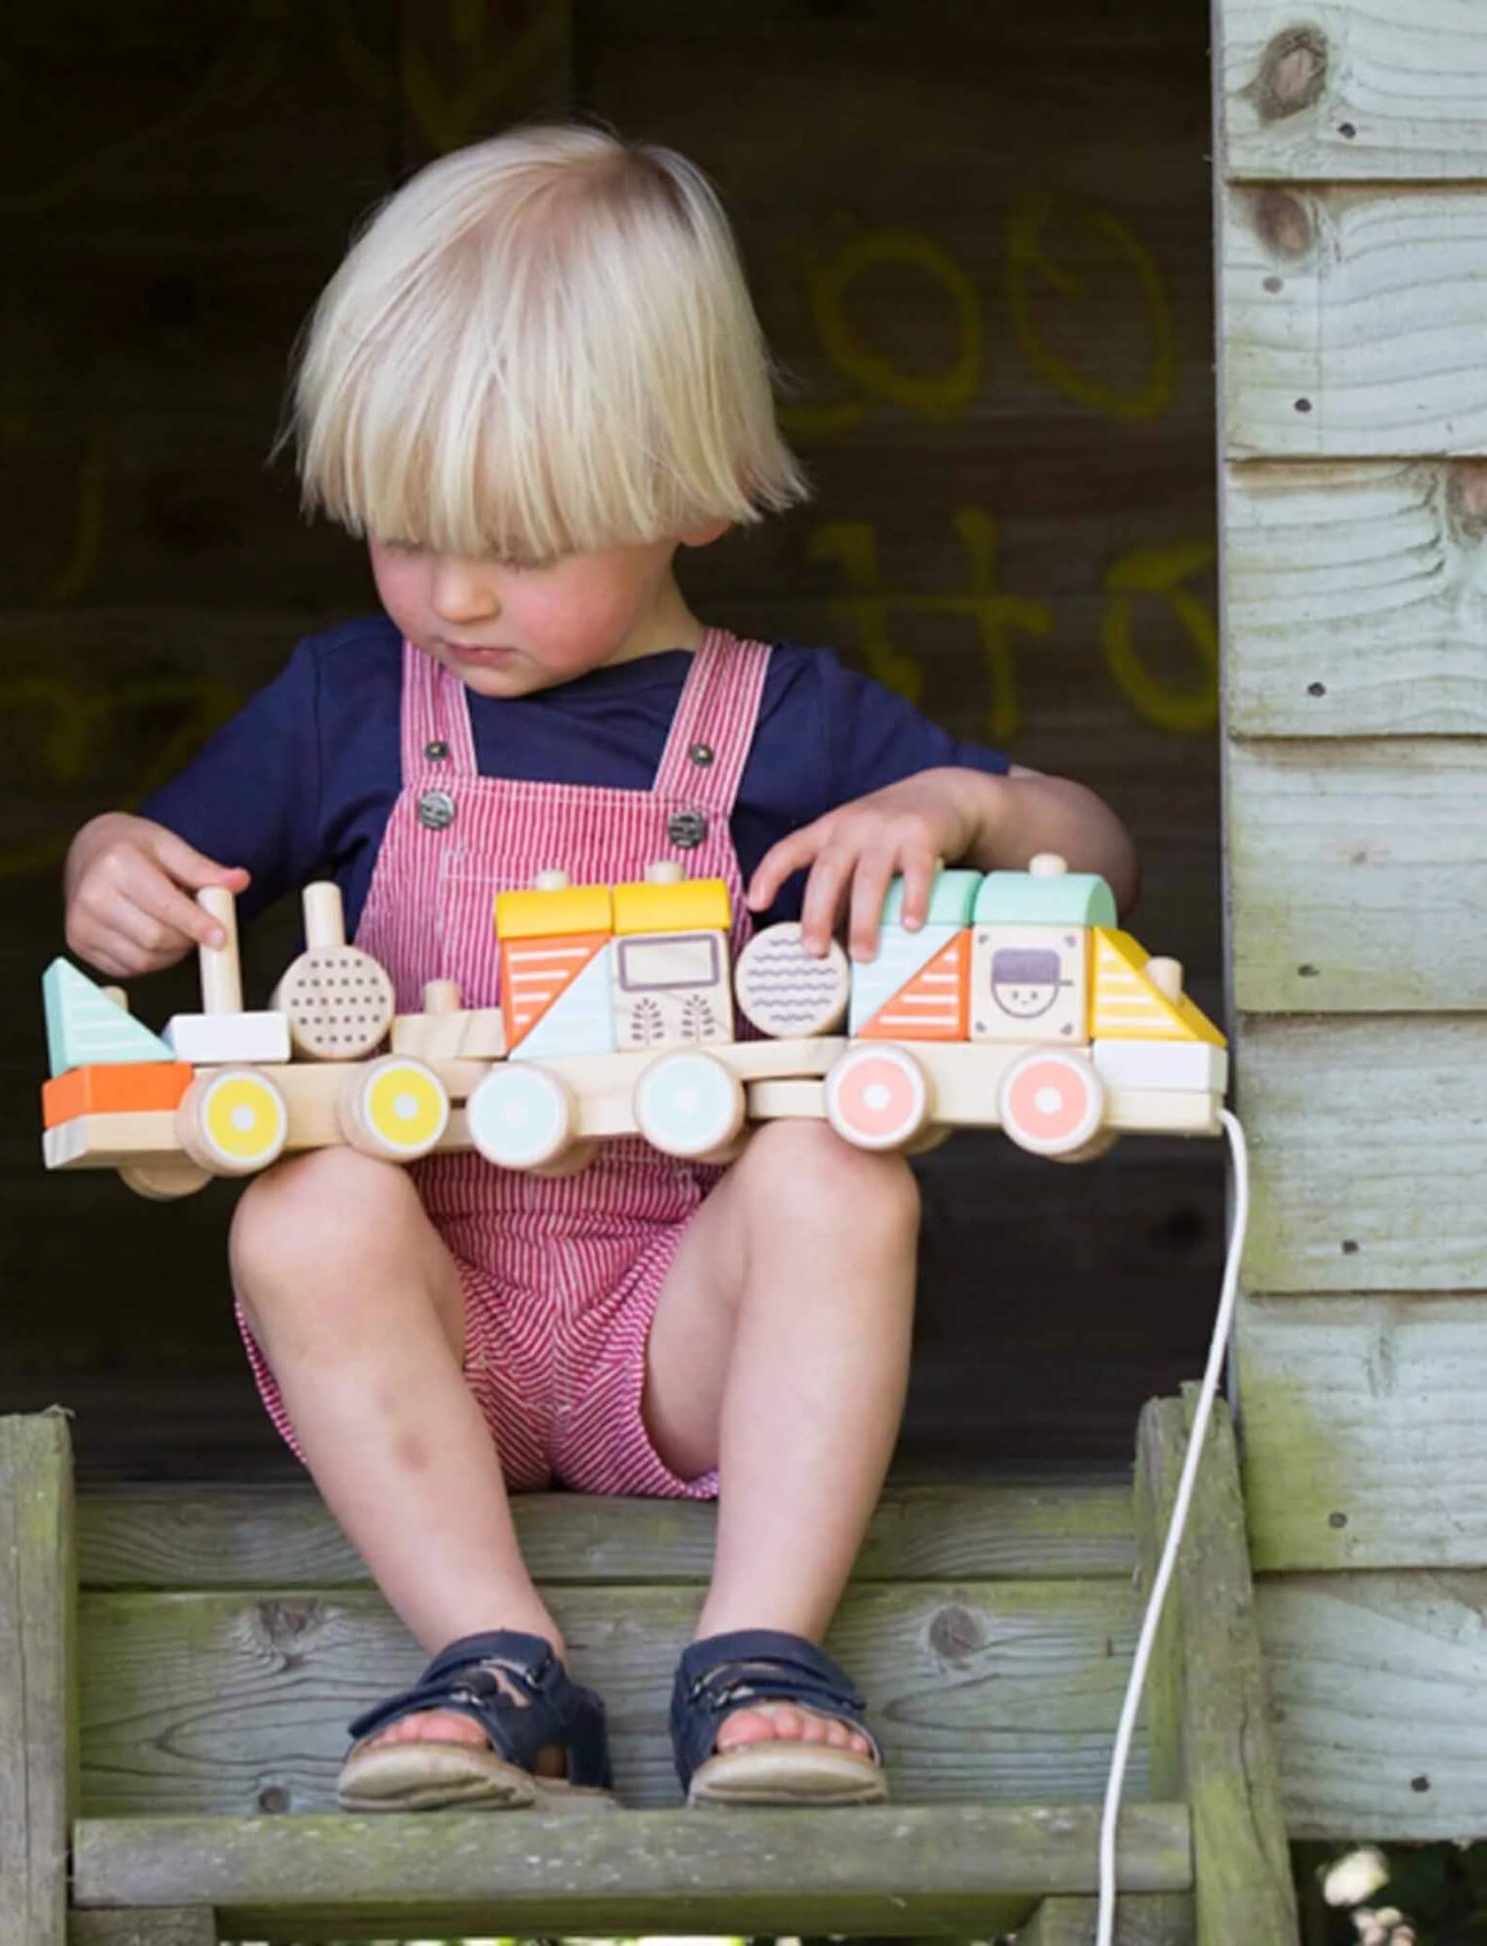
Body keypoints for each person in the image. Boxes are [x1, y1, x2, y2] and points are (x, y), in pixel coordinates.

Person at [63, 123, 1138, 1813]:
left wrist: (964, 799)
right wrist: (104, 866)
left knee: (841, 1177)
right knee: (299, 1202)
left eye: (521, 540)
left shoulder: (789, 722)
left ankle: (759, 1650)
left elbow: (1092, 850)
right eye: (405, 533)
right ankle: (494, 1659)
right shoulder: (349, 706)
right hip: (434, 1336)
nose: (451, 593)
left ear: (691, 500)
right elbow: (151, 854)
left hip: (675, 1332)